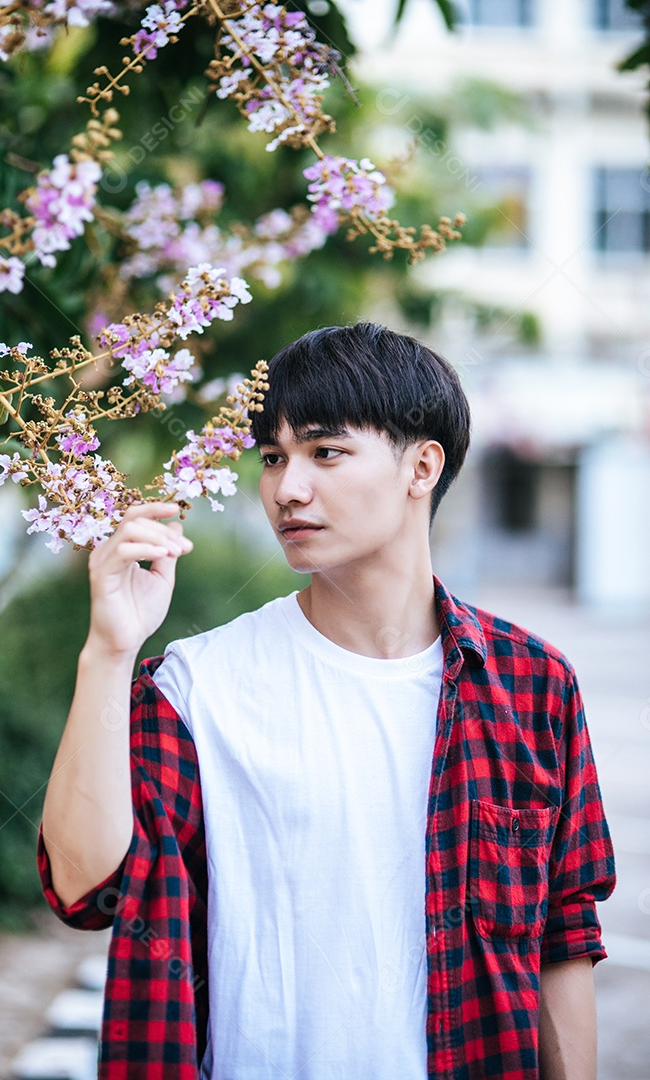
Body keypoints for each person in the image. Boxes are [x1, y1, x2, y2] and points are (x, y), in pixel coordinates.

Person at [39, 322, 616, 1080]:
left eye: (325, 452)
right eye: (273, 457)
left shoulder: (529, 685)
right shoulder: (196, 686)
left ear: (421, 466)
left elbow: (561, 938)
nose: (287, 488)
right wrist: (109, 650)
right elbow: (85, 888)